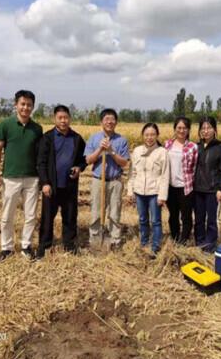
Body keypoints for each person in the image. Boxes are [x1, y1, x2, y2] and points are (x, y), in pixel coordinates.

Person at [0, 90, 43, 262]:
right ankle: (6, 247)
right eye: (22, 104)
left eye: (29, 105)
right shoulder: (5, 125)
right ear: (16, 105)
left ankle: (26, 246)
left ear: (32, 107)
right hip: (10, 176)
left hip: (31, 178)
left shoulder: (37, 129)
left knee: (31, 216)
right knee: (7, 215)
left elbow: (39, 154)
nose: (25, 107)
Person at [36, 105, 87, 259]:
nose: (63, 121)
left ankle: (69, 245)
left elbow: (83, 159)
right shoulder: (47, 138)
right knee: (47, 218)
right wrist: (44, 183)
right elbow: (41, 162)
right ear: (54, 119)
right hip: (51, 186)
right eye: (60, 118)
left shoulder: (77, 139)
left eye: (66, 117)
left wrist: (79, 168)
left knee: (70, 216)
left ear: (70, 118)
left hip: (70, 186)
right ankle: (44, 246)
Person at [84, 109, 130, 248]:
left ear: (116, 122)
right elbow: (88, 160)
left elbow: (125, 163)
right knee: (96, 211)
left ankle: (115, 239)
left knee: (115, 212)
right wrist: (100, 149)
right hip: (99, 180)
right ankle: (95, 238)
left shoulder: (122, 140)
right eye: (106, 119)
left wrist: (111, 151)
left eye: (112, 119)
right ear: (101, 122)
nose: (109, 122)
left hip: (115, 180)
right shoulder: (94, 138)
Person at [127, 123, 170, 257]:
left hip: (154, 192)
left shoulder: (162, 152)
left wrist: (162, 195)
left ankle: (155, 247)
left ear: (157, 135)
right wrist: (130, 190)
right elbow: (132, 173)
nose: (149, 137)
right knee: (142, 219)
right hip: (140, 192)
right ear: (142, 136)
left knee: (156, 221)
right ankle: (144, 243)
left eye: (152, 134)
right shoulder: (137, 151)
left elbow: (165, 175)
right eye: (147, 135)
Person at [193, 116, 221, 253]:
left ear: (214, 130)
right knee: (199, 219)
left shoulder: (220, 147)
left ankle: (210, 245)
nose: (206, 131)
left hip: (212, 190)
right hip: (197, 189)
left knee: (212, 220)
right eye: (203, 128)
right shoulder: (196, 147)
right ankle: (200, 242)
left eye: (209, 128)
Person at [164, 117, 198, 245]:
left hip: (185, 186)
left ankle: (184, 240)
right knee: (173, 215)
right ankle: (175, 237)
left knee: (186, 216)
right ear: (175, 129)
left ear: (188, 130)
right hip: (170, 186)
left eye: (184, 128)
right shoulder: (167, 144)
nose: (182, 130)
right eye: (179, 127)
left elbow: (195, 167)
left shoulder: (193, 147)